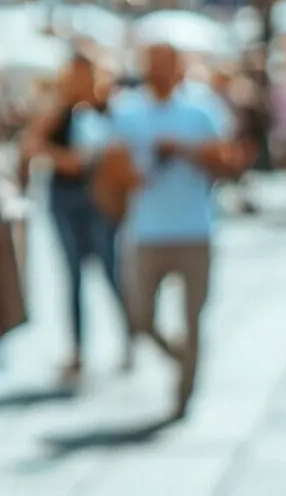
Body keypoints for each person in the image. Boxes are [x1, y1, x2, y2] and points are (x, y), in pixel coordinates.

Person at [94, 41, 238, 421]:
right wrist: (132, 175)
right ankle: (181, 358)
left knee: (193, 318)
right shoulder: (128, 111)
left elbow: (228, 160)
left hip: (194, 229)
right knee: (140, 318)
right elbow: (111, 168)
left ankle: (185, 392)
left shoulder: (201, 109)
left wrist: (186, 150)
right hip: (146, 232)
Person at [20, 52, 130, 380]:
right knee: (72, 276)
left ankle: (130, 340)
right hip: (65, 197)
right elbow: (32, 143)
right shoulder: (61, 110)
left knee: (111, 270)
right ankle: (79, 350)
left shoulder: (108, 106)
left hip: (98, 196)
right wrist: (62, 157)